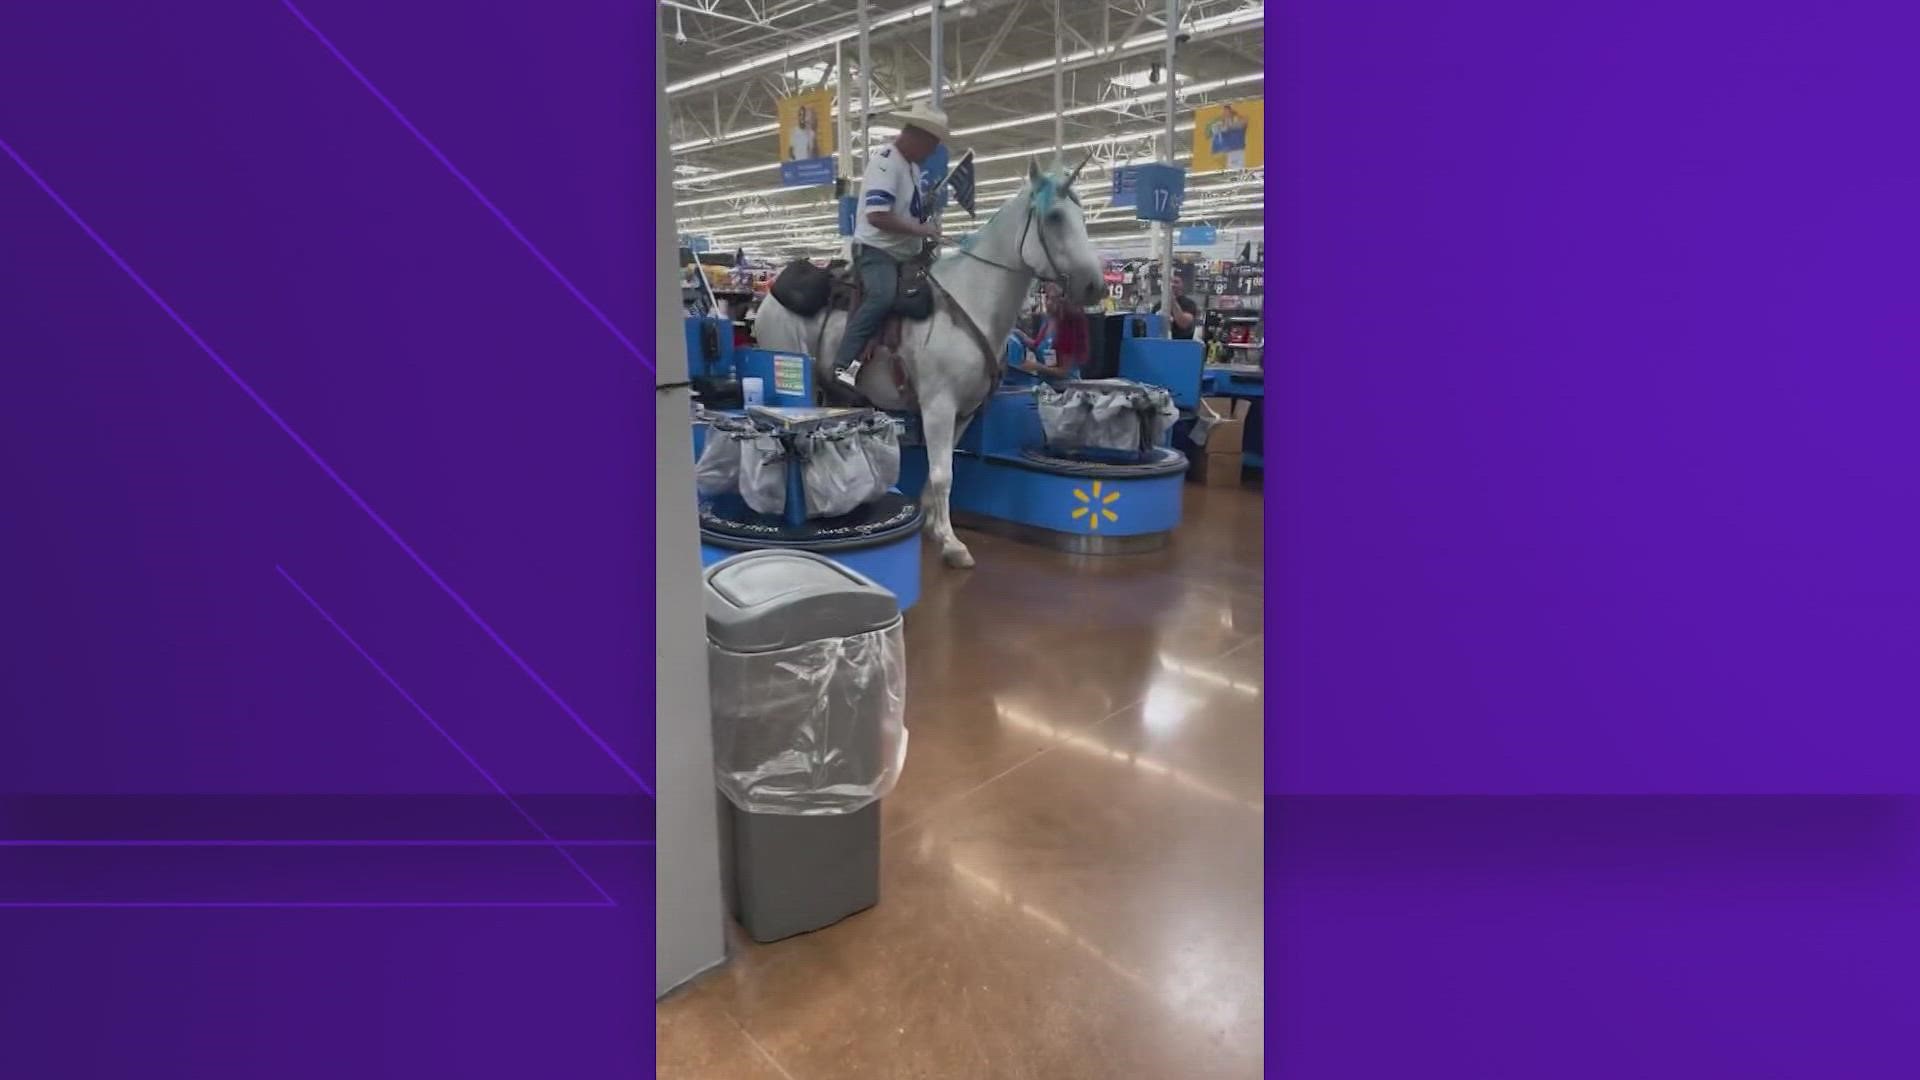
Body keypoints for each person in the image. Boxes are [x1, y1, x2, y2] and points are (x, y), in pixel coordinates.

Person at [830, 103, 949, 402]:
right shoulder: (885, 162)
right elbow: (877, 216)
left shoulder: (911, 167)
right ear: (917, 136)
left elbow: (908, 214)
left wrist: (926, 227)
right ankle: (841, 367)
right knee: (882, 295)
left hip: (903, 253)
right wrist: (921, 230)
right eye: (931, 145)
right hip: (876, 250)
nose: (931, 152)